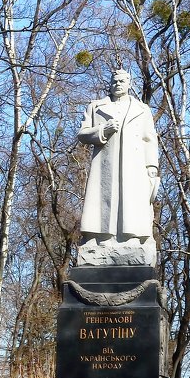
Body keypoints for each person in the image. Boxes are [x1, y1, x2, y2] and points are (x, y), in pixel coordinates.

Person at [76, 69, 160, 265]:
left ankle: (132, 237)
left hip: (134, 164)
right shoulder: (96, 106)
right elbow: (82, 134)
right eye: (115, 81)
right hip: (106, 164)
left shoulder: (142, 108)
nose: (118, 84)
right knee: (105, 198)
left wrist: (151, 166)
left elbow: (150, 139)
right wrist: (103, 130)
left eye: (122, 81)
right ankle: (102, 238)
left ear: (129, 83)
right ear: (110, 83)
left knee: (132, 201)